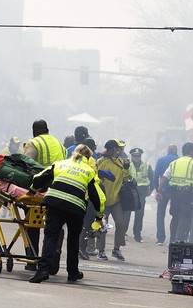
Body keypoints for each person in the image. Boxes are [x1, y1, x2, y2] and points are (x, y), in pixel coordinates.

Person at [28, 144, 105, 283]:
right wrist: (99, 216)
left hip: (55, 203)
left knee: (51, 236)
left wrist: (32, 190)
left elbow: (40, 178)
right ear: (88, 157)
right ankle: (73, 272)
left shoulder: (60, 164)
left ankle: (43, 270)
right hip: (76, 207)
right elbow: (97, 197)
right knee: (73, 239)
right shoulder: (89, 171)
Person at [23, 119, 68, 270]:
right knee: (54, 226)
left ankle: (32, 260)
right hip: (59, 190)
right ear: (47, 129)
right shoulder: (61, 146)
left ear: (34, 131)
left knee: (32, 224)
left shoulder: (34, 143)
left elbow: (27, 164)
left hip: (40, 191)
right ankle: (53, 258)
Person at [96, 139, 131, 261]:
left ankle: (116, 249)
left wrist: (126, 168)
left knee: (121, 223)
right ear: (112, 150)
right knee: (103, 226)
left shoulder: (121, 162)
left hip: (116, 200)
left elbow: (126, 178)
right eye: (117, 148)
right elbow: (96, 179)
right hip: (103, 201)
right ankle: (100, 250)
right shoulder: (101, 162)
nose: (119, 151)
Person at [156, 142, 193, 243]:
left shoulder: (175, 163)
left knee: (175, 217)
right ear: (191, 151)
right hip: (187, 194)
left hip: (174, 194)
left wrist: (159, 191)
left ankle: (172, 239)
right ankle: (179, 240)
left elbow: (163, 178)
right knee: (184, 217)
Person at [123, 147, 154, 242]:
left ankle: (137, 235)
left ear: (141, 156)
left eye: (138, 156)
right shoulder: (127, 164)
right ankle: (122, 232)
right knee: (126, 213)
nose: (136, 158)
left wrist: (151, 189)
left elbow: (152, 178)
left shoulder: (146, 165)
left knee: (139, 214)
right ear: (131, 156)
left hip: (141, 191)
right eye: (134, 156)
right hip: (129, 190)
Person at [153, 144, 178, 245]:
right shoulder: (179, 160)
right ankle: (174, 238)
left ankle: (160, 238)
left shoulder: (161, 160)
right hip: (175, 191)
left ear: (168, 150)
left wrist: (157, 190)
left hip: (163, 190)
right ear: (176, 151)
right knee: (176, 214)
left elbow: (155, 177)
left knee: (160, 214)